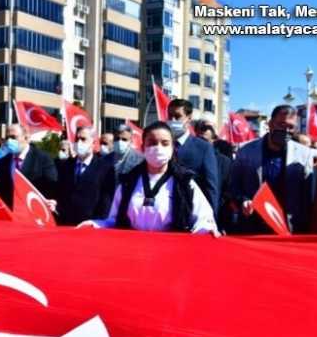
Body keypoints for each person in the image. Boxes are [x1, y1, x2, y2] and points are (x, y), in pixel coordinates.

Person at [78, 121, 219, 235]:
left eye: (164, 143)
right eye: (151, 143)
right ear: (142, 147)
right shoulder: (128, 182)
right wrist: (95, 224)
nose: (158, 148)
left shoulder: (185, 183)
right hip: (132, 252)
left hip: (171, 254)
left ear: (172, 148)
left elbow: (203, 219)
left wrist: (208, 229)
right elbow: (114, 221)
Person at [230, 105, 315, 234]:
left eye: (291, 127)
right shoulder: (245, 150)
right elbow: (234, 185)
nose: (286, 130)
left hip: (287, 227)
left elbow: (308, 196)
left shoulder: (305, 154)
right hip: (252, 224)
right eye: (281, 125)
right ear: (270, 124)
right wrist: (243, 200)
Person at [166, 99, 219, 215]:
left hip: (190, 213)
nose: (172, 120)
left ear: (188, 118)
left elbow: (211, 187)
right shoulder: (162, 145)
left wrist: (212, 220)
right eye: (170, 116)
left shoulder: (203, 148)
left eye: (177, 116)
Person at [54, 126, 115, 225]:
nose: (79, 143)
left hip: (89, 225)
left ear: (93, 143)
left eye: (83, 139)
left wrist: (98, 223)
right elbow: (60, 193)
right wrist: (56, 203)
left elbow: (106, 201)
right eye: (77, 139)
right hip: (65, 224)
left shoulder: (105, 168)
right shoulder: (66, 166)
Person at [0, 124, 58, 210]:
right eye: (7, 137)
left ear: (26, 138)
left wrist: (53, 202)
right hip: (11, 212)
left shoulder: (42, 158)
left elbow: (52, 185)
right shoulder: (4, 162)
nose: (9, 141)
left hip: (34, 211)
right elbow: (1, 189)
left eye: (13, 137)